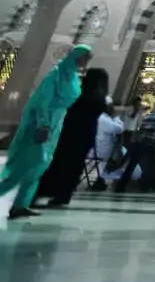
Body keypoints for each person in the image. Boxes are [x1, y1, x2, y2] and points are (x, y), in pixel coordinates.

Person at [1, 45, 92, 218]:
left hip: (55, 124)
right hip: (40, 125)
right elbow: (43, 101)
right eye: (84, 58)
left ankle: (20, 205)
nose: (84, 62)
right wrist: (43, 124)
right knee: (23, 167)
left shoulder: (72, 77)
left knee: (38, 168)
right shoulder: (55, 75)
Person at [36, 66, 111, 208]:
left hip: (70, 132)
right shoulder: (101, 98)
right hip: (86, 134)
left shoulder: (80, 94)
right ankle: (64, 194)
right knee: (74, 166)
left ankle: (44, 191)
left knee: (58, 163)